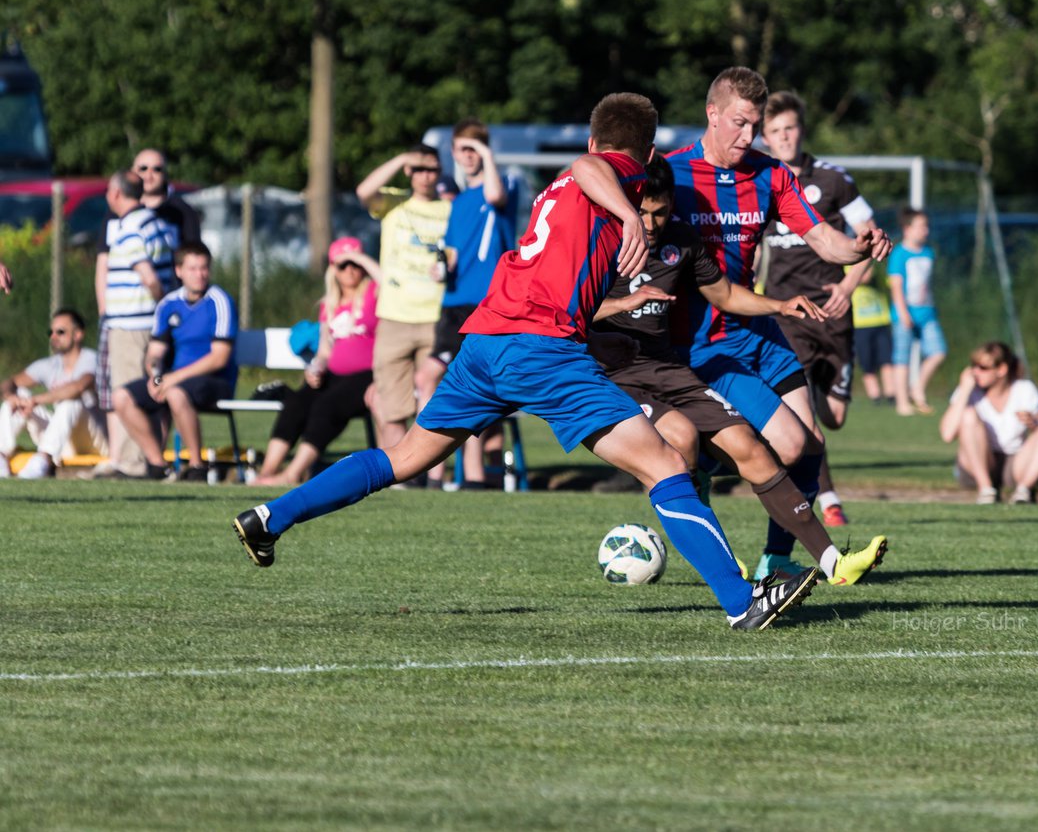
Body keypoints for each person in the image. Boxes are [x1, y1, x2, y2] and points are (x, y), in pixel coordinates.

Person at [234, 92, 821, 631]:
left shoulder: (561, 193)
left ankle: (269, 516)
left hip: (488, 341)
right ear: (638, 153)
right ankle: (745, 604)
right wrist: (624, 211)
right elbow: (590, 168)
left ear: (594, 136)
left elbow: (573, 244)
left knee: (404, 457)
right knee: (666, 464)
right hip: (539, 349)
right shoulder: (611, 172)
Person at [593, 156, 889, 585]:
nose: (652, 224)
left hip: (669, 369)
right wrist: (623, 305)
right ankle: (727, 571)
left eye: (660, 212)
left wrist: (779, 305)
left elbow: (727, 294)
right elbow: (568, 309)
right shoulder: (602, 242)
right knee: (682, 440)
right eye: (644, 213)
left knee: (751, 445)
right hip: (617, 371)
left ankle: (833, 564)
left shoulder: (682, 242)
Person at [661, 67, 892, 582]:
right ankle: (700, 470)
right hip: (701, 338)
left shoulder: (770, 174)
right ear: (712, 114)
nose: (750, 136)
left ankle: (777, 557)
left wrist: (858, 247)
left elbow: (824, 239)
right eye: (740, 124)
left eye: (756, 125)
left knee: (811, 440)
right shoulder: (670, 175)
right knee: (786, 445)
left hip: (759, 329)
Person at [759, 90, 878, 527]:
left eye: (789, 128)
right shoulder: (760, 182)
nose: (784, 137)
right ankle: (827, 500)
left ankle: (820, 482)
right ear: (765, 138)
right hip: (789, 314)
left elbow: (871, 234)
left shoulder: (833, 180)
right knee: (802, 412)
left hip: (833, 311)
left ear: (801, 130)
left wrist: (849, 285)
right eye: (774, 131)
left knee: (835, 417)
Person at [253, 238, 384, 486]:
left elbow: (388, 281)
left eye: (355, 264)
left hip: (368, 375)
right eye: (343, 265)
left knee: (327, 405)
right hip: (333, 375)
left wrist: (360, 257)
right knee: (297, 402)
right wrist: (316, 367)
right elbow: (325, 349)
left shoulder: (373, 294)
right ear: (333, 270)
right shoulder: (329, 304)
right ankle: (268, 471)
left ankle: (293, 473)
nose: (351, 270)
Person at [434, 119, 521, 488]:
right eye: (462, 150)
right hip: (454, 303)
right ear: (453, 153)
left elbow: (495, 197)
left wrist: (486, 154)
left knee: (477, 384)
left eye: (474, 149)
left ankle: (472, 474)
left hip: (488, 304)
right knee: (429, 376)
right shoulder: (458, 203)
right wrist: (441, 266)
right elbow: (452, 250)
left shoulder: (502, 186)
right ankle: (431, 475)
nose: (468, 157)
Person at [113, 241, 237, 482]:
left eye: (204, 268)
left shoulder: (219, 301)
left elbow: (220, 358)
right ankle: (157, 465)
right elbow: (155, 352)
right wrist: (156, 375)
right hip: (175, 379)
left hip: (214, 381)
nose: (199, 274)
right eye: (192, 268)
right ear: (179, 271)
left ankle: (197, 467)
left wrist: (172, 379)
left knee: (176, 393)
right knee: (121, 397)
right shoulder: (168, 304)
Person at [355, 144, 451, 453]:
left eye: (432, 169)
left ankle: (428, 477)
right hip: (395, 317)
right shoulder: (394, 202)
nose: (426, 176)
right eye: (419, 169)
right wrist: (400, 159)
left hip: (436, 317)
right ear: (408, 171)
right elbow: (363, 191)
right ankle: (398, 482)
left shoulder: (451, 208)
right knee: (392, 407)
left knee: (434, 409)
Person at [94, 170, 178, 478]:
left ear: (116, 194)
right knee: (143, 391)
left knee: (128, 394)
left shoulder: (129, 228)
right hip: (144, 325)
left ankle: (133, 463)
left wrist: (160, 304)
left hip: (131, 325)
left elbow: (150, 278)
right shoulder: (155, 223)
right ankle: (146, 459)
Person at [939, 341, 1038, 504]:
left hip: (1014, 463)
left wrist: (1034, 423)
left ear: (1001, 370)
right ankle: (985, 489)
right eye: (973, 366)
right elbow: (947, 435)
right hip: (978, 463)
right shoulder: (969, 391)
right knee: (968, 415)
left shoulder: (1023, 389)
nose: (975, 372)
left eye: (983, 368)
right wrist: (964, 389)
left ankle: (1023, 491)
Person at [0, 309, 107, 478]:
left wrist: (36, 400)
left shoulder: (91, 359)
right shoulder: (51, 364)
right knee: (17, 396)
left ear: (78, 334)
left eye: (61, 332)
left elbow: (79, 387)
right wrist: (11, 397)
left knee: (72, 401)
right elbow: (9, 383)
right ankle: (2, 456)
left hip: (96, 439)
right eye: (51, 332)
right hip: (63, 440)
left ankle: (43, 459)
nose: (54, 337)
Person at [888, 207, 946, 416]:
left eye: (926, 226)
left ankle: (917, 388)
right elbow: (896, 285)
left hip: (927, 312)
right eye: (921, 226)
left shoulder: (928, 252)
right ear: (907, 229)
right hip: (905, 313)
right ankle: (902, 402)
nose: (925, 230)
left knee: (938, 352)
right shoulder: (899, 254)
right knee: (901, 358)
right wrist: (903, 313)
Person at [852, 260, 895, 405]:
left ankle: (891, 395)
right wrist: (868, 260)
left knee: (886, 360)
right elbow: (864, 278)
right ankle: (875, 397)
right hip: (860, 324)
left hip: (881, 320)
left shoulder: (878, 266)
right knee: (867, 363)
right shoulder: (848, 265)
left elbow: (890, 282)